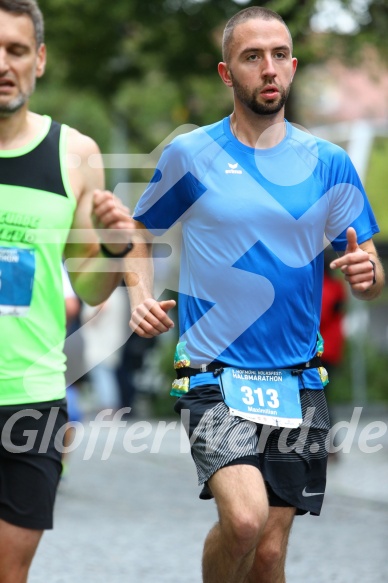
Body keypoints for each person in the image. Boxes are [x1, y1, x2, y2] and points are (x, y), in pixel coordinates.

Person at [126, 6, 385, 583]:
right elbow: (138, 235)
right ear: (227, 72)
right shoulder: (191, 155)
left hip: (299, 376)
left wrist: (367, 276)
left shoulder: (328, 163)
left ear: (292, 67)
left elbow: (364, 264)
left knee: (269, 554)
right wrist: (140, 293)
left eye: (277, 56)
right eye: (251, 57)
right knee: (244, 521)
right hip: (214, 372)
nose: (268, 69)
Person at [0, 2, 134, 582]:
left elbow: (88, 284)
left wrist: (111, 246)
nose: (3, 64)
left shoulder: (75, 155)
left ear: (40, 59)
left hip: (31, 394)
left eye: (16, 50)